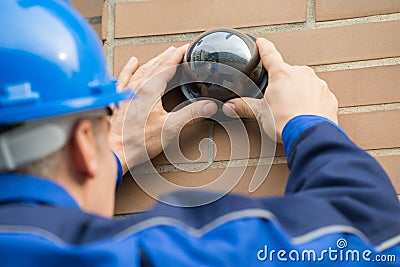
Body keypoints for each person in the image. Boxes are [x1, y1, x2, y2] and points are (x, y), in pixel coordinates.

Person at [0, 1, 399, 266]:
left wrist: (111, 147)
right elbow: (370, 237)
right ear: (83, 145)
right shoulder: (141, 255)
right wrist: (311, 125)